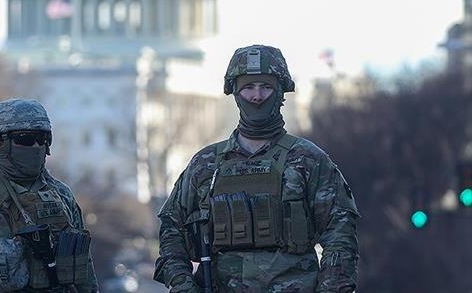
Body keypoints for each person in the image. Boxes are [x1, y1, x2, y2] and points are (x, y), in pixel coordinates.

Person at [154, 45, 359, 292]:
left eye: (266, 87)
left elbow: (340, 235)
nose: (257, 96)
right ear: (236, 93)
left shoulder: (308, 160)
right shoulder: (205, 165)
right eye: (248, 87)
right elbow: (171, 229)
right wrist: (184, 285)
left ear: (281, 92)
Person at [0, 98, 99, 292]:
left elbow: (86, 278)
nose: (36, 146)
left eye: (43, 139)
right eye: (25, 139)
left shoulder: (61, 195)